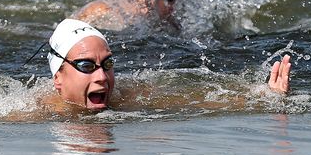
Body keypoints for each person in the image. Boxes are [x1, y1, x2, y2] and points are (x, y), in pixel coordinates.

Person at [44, 19, 291, 111]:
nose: (102, 77)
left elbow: (201, 101)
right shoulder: (30, 112)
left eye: (107, 64)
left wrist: (266, 97)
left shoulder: (129, 98)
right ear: (58, 77)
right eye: (87, 66)